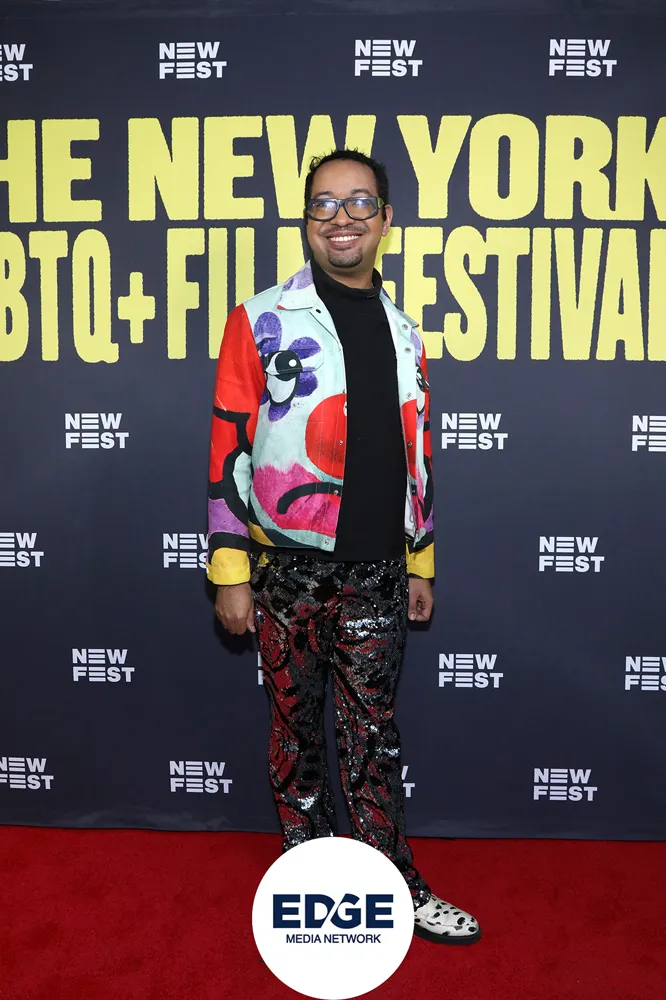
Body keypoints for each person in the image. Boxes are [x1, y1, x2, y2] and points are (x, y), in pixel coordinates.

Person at [206, 148, 481, 944]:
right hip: (283, 569)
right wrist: (230, 569)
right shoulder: (259, 319)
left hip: (380, 569)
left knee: (372, 739)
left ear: (385, 219)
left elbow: (417, 456)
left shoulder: (407, 332)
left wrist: (419, 559)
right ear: (306, 221)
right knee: (295, 735)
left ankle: (394, 884)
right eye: (324, 204)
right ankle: (309, 879)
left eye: (359, 202)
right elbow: (228, 447)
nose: (342, 218)